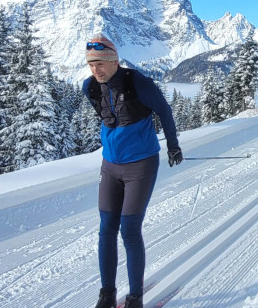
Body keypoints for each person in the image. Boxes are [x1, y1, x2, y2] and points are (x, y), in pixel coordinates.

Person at [82, 33, 183, 308]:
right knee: (106, 229)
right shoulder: (89, 87)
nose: (96, 70)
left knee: (129, 230)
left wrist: (173, 145)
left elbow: (164, 110)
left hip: (141, 164)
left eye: (101, 63)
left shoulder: (138, 82)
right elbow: (106, 118)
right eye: (91, 65)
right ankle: (106, 295)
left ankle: (135, 297)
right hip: (110, 166)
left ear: (114, 60)